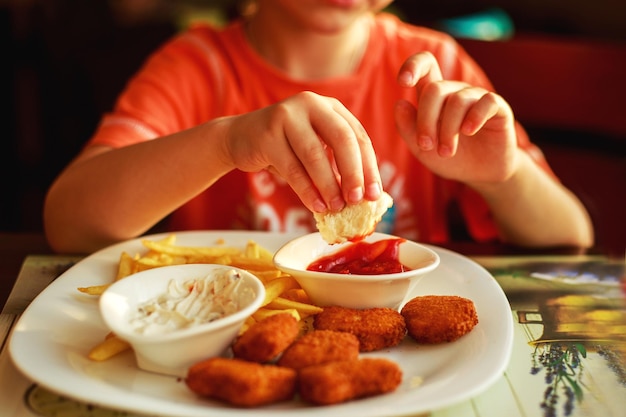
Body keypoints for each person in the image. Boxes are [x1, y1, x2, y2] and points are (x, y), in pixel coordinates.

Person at [43, 0, 594, 254]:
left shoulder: (436, 65)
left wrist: (503, 178)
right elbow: (71, 223)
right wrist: (224, 142)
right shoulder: (196, 67)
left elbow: (570, 235)